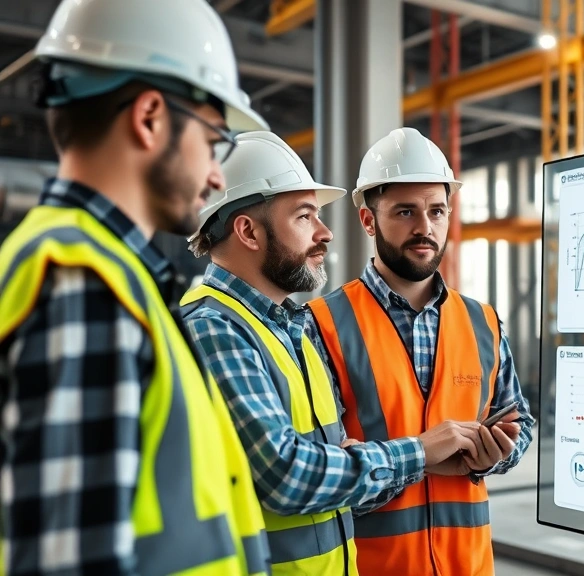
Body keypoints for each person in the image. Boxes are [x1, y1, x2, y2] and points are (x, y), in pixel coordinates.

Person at [0, 1, 272, 575]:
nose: (218, 175)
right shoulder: (84, 284)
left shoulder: (109, 275)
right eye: (214, 140)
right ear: (149, 117)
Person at [181, 131, 490, 576]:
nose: (325, 233)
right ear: (247, 231)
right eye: (305, 217)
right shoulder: (214, 328)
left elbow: (329, 467)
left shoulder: (289, 328)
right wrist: (419, 452)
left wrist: (343, 462)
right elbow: (288, 477)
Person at [307, 127, 535, 576]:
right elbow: (324, 469)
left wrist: (496, 454)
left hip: (467, 567)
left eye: (437, 211)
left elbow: (519, 422)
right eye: (406, 212)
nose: (424, 227)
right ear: (369, 221)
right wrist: (424, 456)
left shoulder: (483, 322)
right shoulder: (320, 324)